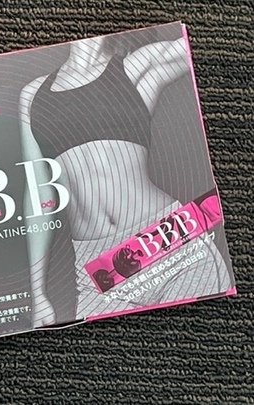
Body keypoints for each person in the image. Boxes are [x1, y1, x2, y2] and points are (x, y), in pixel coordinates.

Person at [19, 33, 232, 327]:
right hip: (98, 266)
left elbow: (206, 41)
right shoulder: (33, 95)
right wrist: (37, 293)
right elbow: (38, 194)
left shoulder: (136, 67)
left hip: (169, 241)